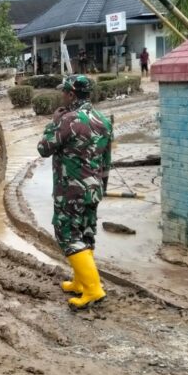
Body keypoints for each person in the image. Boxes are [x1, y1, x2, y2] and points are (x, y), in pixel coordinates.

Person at [37, 75, 112, 309]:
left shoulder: (68, 120)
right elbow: (106, 160)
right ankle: (80, 282)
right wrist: (101, 188)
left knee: (68, 235)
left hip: (70, 190)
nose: (62, 96)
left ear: (71, 94)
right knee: (85, 234)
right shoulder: (103, 120)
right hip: (93, 189)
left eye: (64, 92)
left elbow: (44, 148)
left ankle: (93, 290)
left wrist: (54, 121)